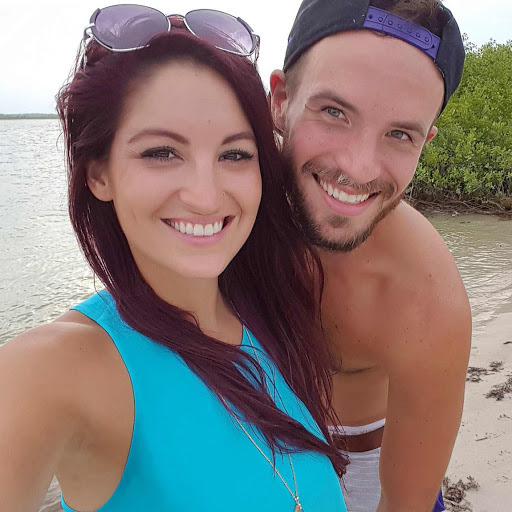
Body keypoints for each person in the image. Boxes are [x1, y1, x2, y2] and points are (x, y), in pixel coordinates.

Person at [0, 6, 349, 511]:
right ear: (99, 174)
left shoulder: (271, 310)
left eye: (234, 154)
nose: (205, 197)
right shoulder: (58, 369)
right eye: (162, 152)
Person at [270, 0, 472, 511]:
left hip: (363, 466)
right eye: (334, 112)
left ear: (425, 142)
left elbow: (405, 501)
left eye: (399, 134)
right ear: (280, 100)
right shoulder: (217, 210)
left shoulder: (423, 298)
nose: (359, 168)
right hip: (245, 435)